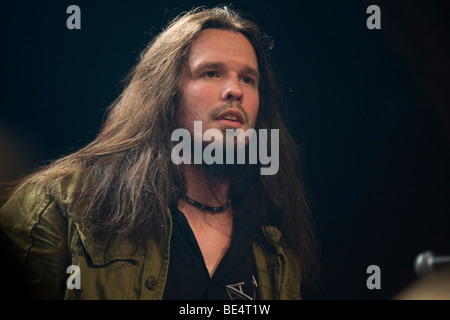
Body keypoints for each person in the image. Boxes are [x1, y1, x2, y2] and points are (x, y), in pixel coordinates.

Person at [0, 6, 318, 300]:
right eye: (212, 73)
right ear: (166, 91)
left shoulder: (274, 251)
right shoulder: (60, 204)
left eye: (248, 79)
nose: (235, 89)